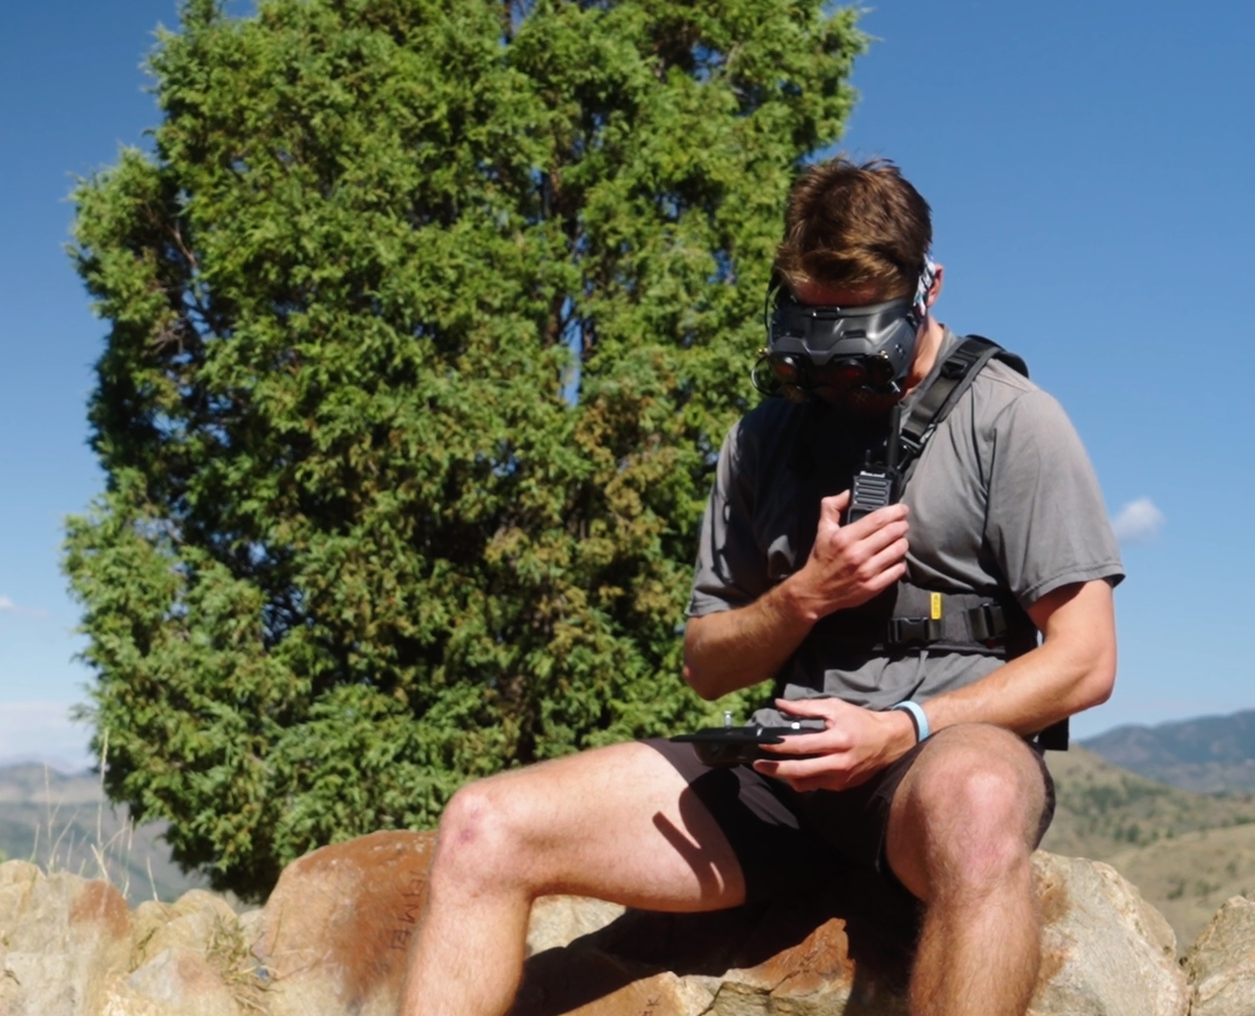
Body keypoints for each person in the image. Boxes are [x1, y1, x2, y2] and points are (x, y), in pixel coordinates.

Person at [398, 157, 1123, 1016]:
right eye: (810, 330)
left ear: (926, 288)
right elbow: (705, 664)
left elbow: (1085, 661)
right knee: (482, 826)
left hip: (932, 767)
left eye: (858, 334)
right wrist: (803, 596)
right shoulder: (763, 438)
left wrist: (900, 731)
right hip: (779, 778)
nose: (833, 368)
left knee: (980, 801)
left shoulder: (1009, 419)